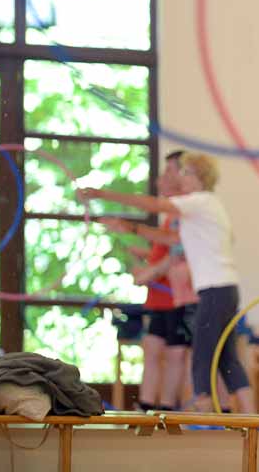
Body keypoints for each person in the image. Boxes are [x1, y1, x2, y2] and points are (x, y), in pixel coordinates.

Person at [78, 152, 256, 414]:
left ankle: (206, 421)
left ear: (198, 178)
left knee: (202, 357)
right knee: (227, 358)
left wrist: (104, 195)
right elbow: (172, 240)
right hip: (226, 289)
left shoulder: (198, 201)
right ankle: (254, 422)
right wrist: (131, 228)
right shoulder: (205, 207)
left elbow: (154, 205)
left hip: (215, 291)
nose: (180, 178)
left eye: (185, 173)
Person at [103, 151, 189, 411]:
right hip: (158, 296)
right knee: (152, 349)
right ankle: (146, 405)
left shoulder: (184, 213)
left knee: (174, 354)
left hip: (177, 296)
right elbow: (163, 252)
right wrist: (141, 257)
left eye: (169, 172)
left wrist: (146, 274)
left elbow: (178, 251)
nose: (162, 179)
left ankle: (165, 409)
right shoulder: (169, 216)